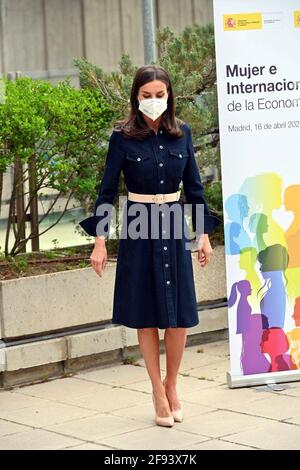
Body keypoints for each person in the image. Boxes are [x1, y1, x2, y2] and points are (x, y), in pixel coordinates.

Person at [79, 64, 221, 428]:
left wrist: (202, 235)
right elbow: (107, 190)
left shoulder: (182, 134)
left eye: (160, 95)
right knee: (146, 314)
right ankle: (156, 390)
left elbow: (195, 190)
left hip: (173, 221)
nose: (154, 101)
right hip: (139, 224)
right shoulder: (122, 137)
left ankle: (173, 385)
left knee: (178, 317)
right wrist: (100, 242)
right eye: (147, 96)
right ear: (136, 97)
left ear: (169, 95)